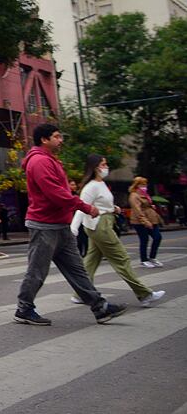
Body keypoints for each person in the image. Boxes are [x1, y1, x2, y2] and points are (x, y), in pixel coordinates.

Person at [14, 123, 126, 326]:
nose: (61, 140)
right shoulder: (39, 161)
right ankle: (24, 308)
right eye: (57, 136)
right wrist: (83, 206)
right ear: (44, 140)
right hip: (44, 225)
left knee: (77, 269)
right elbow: (55, 193)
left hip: (60, 224)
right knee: (37, 271)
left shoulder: (50, 160)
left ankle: (99, 307)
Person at [70, 154, 165, 308]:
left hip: (101, 223)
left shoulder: (100, 184)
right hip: (100, 226)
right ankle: (144, 294)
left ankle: (80, 294)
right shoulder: (91, 186)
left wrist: (114, 209)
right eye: (103, 164)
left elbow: (101, 205)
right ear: (95, 167)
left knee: (91, 261)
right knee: (121, 259)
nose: (106, 167)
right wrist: (73, 228)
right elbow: (82, 208)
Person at [128, 176, 163, 268]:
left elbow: (147, 206)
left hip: (152, 219)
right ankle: (144, 260)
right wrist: (145, 221)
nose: (145, 186)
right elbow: (137, 210)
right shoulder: (134, 195)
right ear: (137, 185)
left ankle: (152, 257)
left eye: (145, 184)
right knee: (144, 239)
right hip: (139, 221)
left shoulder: (145, 194)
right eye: (142, 184)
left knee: (157, 237)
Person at [69, 179, 88, 259]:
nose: (74, 186)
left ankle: (85, 252)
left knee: (83, 237)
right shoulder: (67, 196)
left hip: (80, 218)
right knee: (76, 238)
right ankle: (78, 253)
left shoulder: (77, 195)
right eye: (72, 185)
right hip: (71, 219)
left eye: (74, 185)